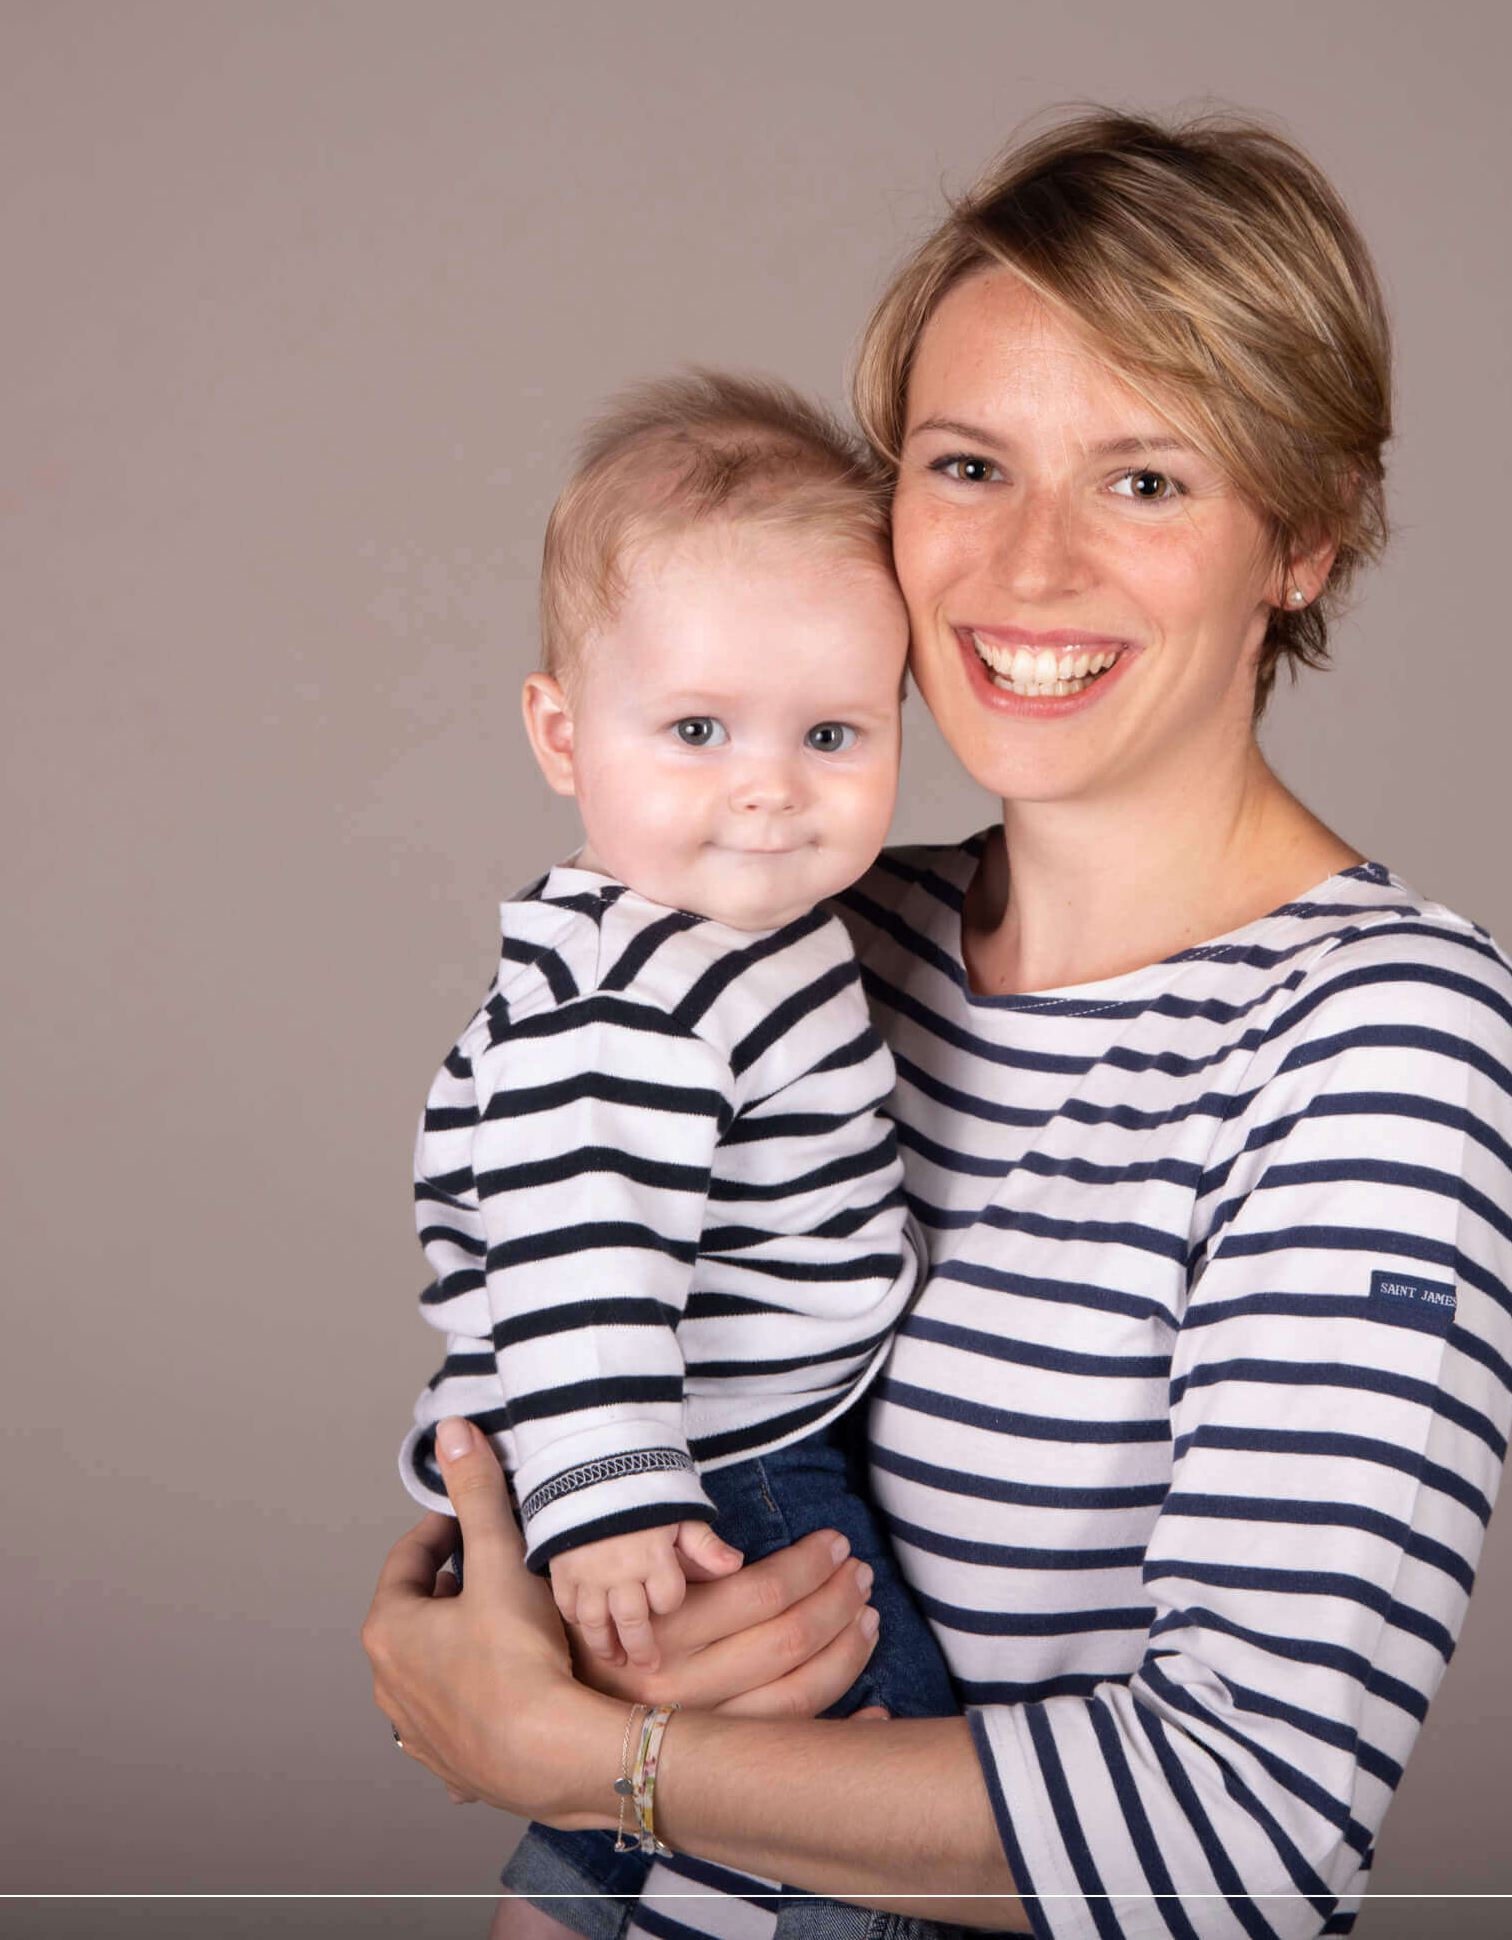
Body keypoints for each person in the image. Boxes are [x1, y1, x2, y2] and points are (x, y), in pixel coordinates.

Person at [364, 108, 1512, 1940]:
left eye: (1145, 481)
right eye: (969, 465)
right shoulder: (822, 936)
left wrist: (579, 1760)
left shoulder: (1379, 1044)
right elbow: (559, 1302)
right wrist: (467, 1592)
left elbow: (1245, 1835)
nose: (1027, 570)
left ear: (1302, 539)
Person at [398, 371, 958, 1931]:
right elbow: (577, 1252)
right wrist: (611, 1499)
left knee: (666, 1770)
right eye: (698, 728)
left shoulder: (740, 928)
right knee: (868, 1753)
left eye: (833, 731)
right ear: (563, 734)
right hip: (699, 1451)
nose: (769, 786)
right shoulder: (634, 992)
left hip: (711, 1422)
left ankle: (564, 1904)